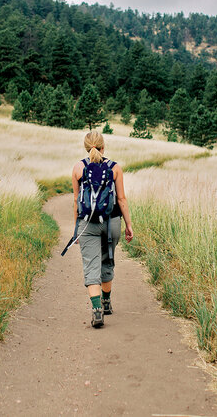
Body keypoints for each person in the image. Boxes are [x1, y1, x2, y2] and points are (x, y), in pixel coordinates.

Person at [71, 131, 133, 328]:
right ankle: (106, 302)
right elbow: (121, 199)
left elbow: (76, 200)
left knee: (91, 265)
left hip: (87, 223)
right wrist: (129, 225)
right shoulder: (115, 168)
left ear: (86, 147)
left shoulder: (78, 168)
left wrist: (76, 229)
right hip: (112, 221)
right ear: (103, 146)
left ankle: (97, 309)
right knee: (108, 259)